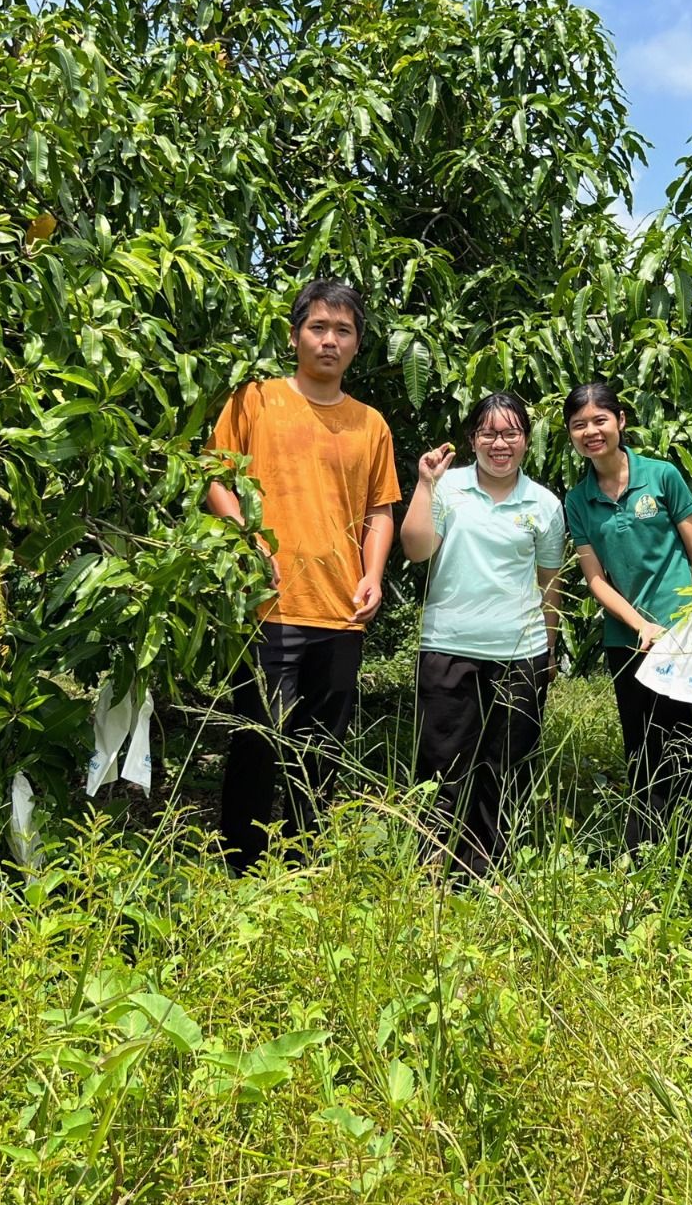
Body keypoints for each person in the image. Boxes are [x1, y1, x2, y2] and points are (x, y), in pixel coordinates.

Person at [204, 280, 400, 871]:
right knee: (258, 740)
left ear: (357, 345)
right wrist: (246, 537)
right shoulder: (254, 401)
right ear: (295, 337)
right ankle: (241, 865)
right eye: (318, 328)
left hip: (341, 610)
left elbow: (380, 511)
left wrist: (373, 575)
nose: (329, 341)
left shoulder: (371, 424)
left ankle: (302, 862)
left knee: (323, 748)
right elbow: (217, 480)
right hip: (269, 606)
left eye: (343, 331)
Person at [400, 392, 565, 876]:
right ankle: (433, 867)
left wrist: (549, 648)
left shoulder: (544, 503)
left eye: (511, 433)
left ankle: (492, 869)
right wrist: (424, 485)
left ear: (526, 441)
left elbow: (549, 581)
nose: (500, 443)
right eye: (489, 433)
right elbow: (415, 549)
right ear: (473, 439)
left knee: (506, 767)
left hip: (521, 653)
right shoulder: (446, 487)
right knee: (441, 765)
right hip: (449, 647)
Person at [560, 381, 692, 850]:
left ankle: (689, 844)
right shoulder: (578, 499)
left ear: (620, 421)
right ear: (570, 434)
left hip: (682, 635)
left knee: (681, 742)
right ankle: (643, 845)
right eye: (579, 425)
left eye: (599, 420)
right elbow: (596, 579)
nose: (591, 431)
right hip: (626, 640)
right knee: (640, 746)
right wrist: (640, 624)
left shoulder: (662, 475)